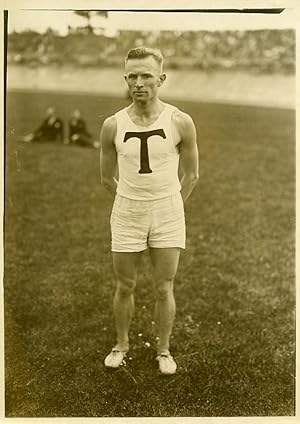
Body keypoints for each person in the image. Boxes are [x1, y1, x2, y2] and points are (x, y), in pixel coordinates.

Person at [100, 47, 199, 375]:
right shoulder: (112, 125)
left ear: (161, 78)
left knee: (164, 286)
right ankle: (122, 344)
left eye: (146, 75)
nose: (138, 82)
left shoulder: (180, 121)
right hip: (128, 212)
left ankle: (163, 350)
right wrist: (131, 201)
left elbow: (192, 175)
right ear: (125, 79)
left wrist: (170, 206)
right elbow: (105, 178)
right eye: (132, 76)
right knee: (124, 285)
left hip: (168, 211)